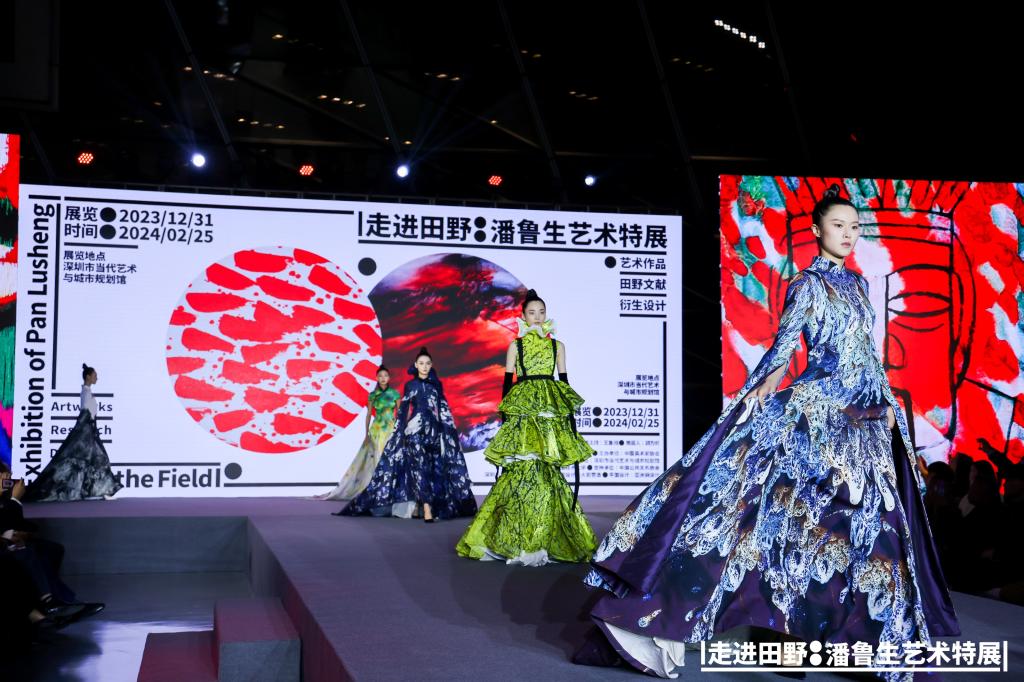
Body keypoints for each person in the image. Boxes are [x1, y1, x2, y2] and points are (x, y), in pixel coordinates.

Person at [574, 185, 960, 680]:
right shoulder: (808, 285)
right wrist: (757, 394)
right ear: (818, 230)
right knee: (787, 529)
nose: (847, 234)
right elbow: (784, 349)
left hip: (863, 426)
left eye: (853, 227)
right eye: (838, 225)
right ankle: (774, 640)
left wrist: (886, 403)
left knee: (869, 537)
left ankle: (868, 649)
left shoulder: (859, 286)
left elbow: (867, 355)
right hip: (818, 420)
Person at [456, 289, 597, 565]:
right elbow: (507, 382)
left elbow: (564, 382)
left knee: (548, 470)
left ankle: (545, 538)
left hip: (548, 411)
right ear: (523, 315)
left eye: (541, 312)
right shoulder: (515, 346)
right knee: (522, 469)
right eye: (532, 312)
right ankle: (515, 538)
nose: (537, 317)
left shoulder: (558, 346)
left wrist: (568, 417)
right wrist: (505, 416)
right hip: (522, 410)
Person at [335, 347, 477, 521]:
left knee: (433, 468)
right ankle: (427, 508)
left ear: (431, 365)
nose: (424, 367)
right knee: (420, 467)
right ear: (416, 365)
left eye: (427, 363)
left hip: (434, 431)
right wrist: (399, 432)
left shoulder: (436, 385)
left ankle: (420, 505)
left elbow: (443, 410)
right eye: (421, 363)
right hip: (414, 431)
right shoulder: (411, 385)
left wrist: (446, 433)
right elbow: (402, 410)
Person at [23, 364, 122, 502]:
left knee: (96, 461)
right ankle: (100, 490)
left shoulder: (87, 391)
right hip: (86, 432)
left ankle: (100, 490)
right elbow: (85, 413)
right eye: (95, 375)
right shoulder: (85, 392)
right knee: (95, 460)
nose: (97, 378)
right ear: (88, 376)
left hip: (90, 431)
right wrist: (86, 429)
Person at [314, 366, 400, 500]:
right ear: (377, 378)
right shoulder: (373, 395)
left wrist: (399, 430)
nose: (383, 378)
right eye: (380, 376)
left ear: (389, 378)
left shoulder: (395, 394)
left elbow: (399, 413)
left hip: (390, 428)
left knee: (390, 458)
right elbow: (368, 415)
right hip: (376, 429)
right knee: (376, 459)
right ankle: (376, 489)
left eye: (385, 376)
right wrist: (366, 434)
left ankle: (388, 489)